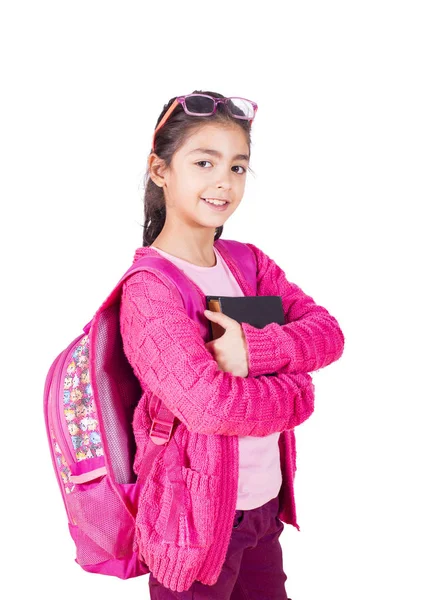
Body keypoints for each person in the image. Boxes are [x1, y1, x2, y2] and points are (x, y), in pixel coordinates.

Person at [119, 90, 345, 599]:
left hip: (264, 511)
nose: (224, 181)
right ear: (160, 171)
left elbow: (328, 333)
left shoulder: (248, 265)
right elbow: (211, 405)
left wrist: (256, 352)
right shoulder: (151, 289)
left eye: (238, 167)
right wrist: (299, 394)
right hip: (193, 528)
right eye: (204, 162)